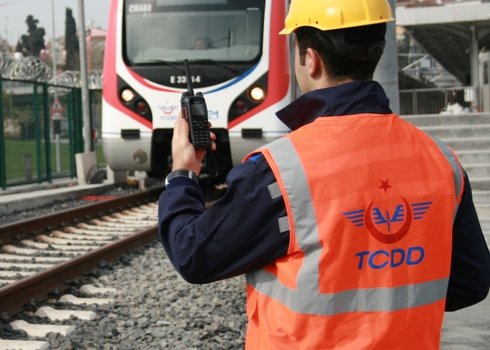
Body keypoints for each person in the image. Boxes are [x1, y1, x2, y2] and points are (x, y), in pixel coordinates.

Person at [158, 0, 490, 348]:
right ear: (376, 51)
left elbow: (193, 254)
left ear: (310, 58)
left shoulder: (280, 172)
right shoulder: (441, 161)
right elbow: (470, 283)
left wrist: (182, 174)